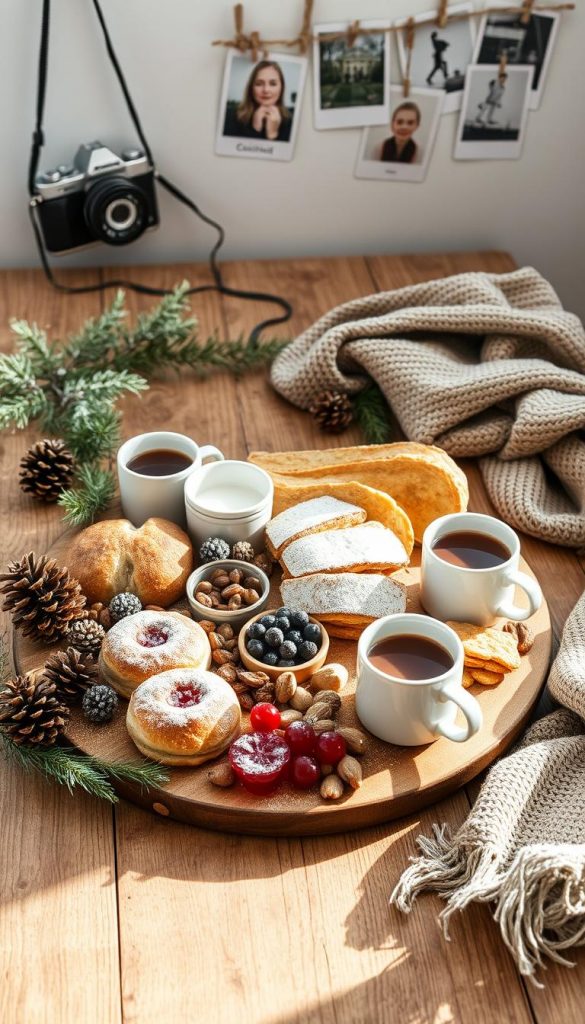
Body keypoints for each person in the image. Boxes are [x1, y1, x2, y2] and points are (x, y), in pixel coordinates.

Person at [223, 60, 292, 142]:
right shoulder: (229, 117)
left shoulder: (292, 122)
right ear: (251, 88)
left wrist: (273, 135)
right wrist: (255, 130)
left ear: (282, 87)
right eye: (259, 84)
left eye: (273, 84)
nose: (266, 90)